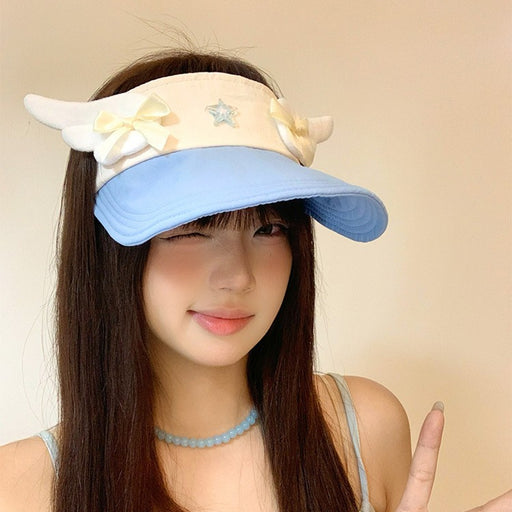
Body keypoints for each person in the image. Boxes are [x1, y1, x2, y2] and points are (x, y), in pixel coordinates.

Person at [0, 50, 509, 512]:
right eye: (190, 230)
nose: (239, 276)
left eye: (269, 229)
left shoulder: (364, 431)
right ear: (109, 254)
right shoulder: (19, 488)